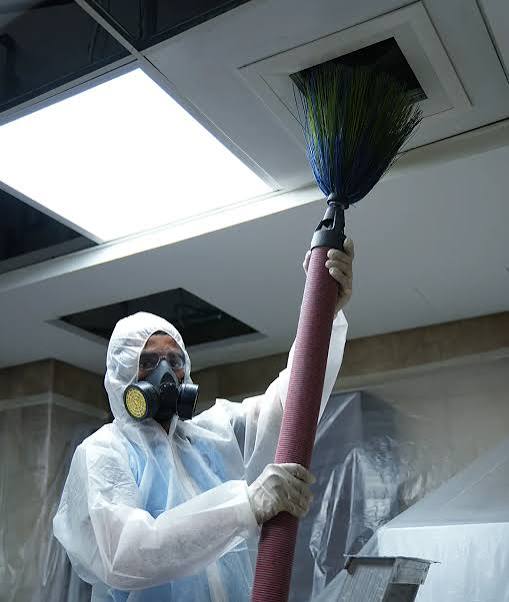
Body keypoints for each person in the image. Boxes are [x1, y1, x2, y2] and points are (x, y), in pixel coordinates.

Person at [53, 240, 354, 601]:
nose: (166, 374)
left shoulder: (211, 437)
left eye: (175, 361)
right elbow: (125, 554)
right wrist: (244, 506)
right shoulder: (104, 451)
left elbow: (291, 404)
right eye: (148, 362)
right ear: (121, 377)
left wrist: (324, 312)